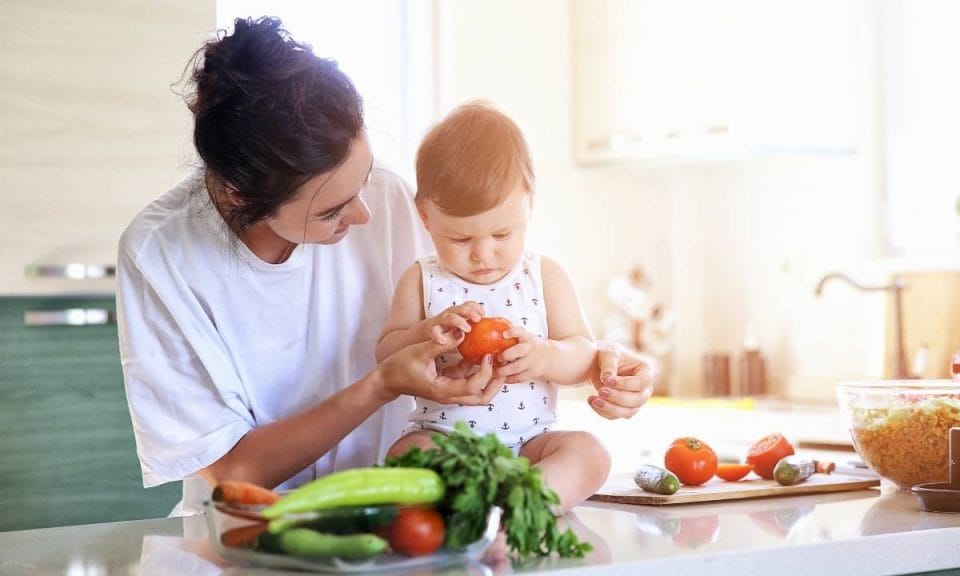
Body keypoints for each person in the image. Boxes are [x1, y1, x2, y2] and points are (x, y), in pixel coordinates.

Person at [115, 16, 654, 516]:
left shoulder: (395, 200)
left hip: (410, 530)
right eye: (330, 211)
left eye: (366, 176)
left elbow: (537, 318)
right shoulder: (161, 255)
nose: (367, 212)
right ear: (240, 196)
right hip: (261, 531)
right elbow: (234, 471)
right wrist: (384, 382)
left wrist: (611, 366)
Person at [376, 102, 610, 512]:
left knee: (590, 453)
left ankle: (520, 507)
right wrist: (424, 335)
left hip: (530, 449)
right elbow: (385, 355)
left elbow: (584, 358)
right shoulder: (421, 278)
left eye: (502, 233)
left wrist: (545, 355)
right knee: (406, 456)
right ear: (425, 217)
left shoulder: (543, 276)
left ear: (529, 203)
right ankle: (481, 509)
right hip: (448, 440)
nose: (483, 254)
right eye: (460, 239)